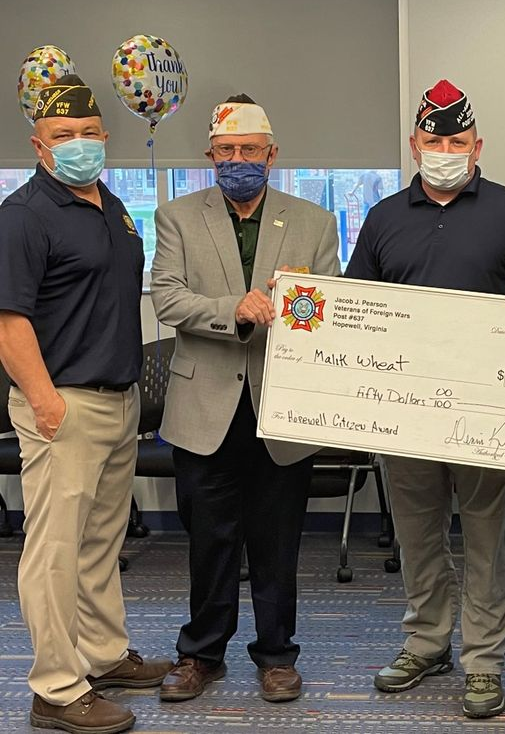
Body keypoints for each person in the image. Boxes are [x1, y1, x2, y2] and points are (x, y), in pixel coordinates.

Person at [344, 79, 505, 719]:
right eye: (433, 140)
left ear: (478, 146)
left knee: (490, 539)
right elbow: (355, 309)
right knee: (417, 533)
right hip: (405, 415)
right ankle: (425, 642)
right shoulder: (382, 218)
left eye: (456, 141)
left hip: (488, 413)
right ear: (414, 144)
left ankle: (484, 661)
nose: (444, 150)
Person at [150, 95, 340, 704]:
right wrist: (230, 309)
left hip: (282, 406)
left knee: (278, 541)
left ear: (272, 155)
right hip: (203, 407)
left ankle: (277, 655)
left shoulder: (313, 221)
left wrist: (292, 312)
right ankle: (200, 653)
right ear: (210, 156)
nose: (238, 160)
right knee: (209, 540)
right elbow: (170, 300)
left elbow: (329, 304)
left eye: (250, 150)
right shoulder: (178, 216)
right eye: (227, 150)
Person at [0, 75, 171, 734]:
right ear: (39, 146)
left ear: (105, 138)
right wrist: (44, 404)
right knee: (54, 553)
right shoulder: (23, 216)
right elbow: (9, 322)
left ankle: (102, 656)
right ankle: (56, 689)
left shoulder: (114, 208)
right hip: (63, 405)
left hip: (118, 402)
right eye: (62, 137)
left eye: (88, 134)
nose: (78, 145)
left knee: (101, 543)